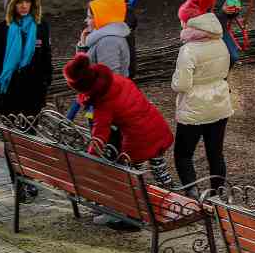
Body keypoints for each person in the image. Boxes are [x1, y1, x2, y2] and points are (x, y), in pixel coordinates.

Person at [62, 53, 175, 193]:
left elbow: (99, 136)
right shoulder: (117, 79)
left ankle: (141, 198)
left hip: (137, 140)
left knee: (134, 174)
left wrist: (90, 159)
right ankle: (170, 193)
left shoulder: (103, 104)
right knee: (159, 166)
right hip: (156, 126)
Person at [171, 0, 235, 192]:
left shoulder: (188, 50)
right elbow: (225, 70)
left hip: (194, 108)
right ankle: (218, 194)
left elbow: (181, 84)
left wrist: (174, 81)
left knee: (183, 154)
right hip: (219, 104)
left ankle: (192, 194)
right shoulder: (220, 42)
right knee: (215, 154)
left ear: (189, 23)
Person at [0, 0, 53, 119]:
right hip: (8, 95)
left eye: (27, 1)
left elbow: (46, 56)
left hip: (33, 94)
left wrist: (45, 81)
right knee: (9, 130)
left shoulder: (41, 27)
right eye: (19, 2)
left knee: (32, 130)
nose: (24, 6)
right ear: (11, 5)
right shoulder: (0, 30)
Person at [78, 0, 132, 77]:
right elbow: (84, 66)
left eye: (90, 17)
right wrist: (83, 45)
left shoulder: (109, 42)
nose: (86, 20)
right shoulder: (102, 38)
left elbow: (110, 78)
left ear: (100, 18)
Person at [208, 0, 240, 64]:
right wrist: (222, 11)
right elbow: (205, 20)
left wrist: (235, 11)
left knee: (233, 57)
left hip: (222, 30)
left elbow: (230, 17)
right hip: (208, 33)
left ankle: (224, 73)